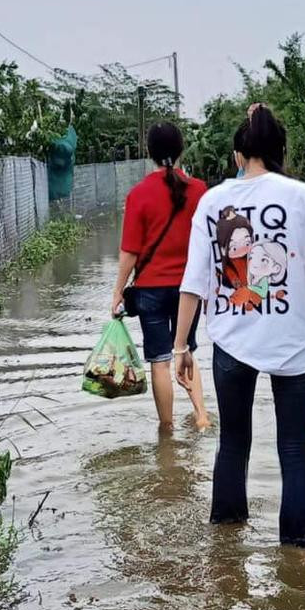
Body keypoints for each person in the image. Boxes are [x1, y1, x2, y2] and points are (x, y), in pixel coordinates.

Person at [174, 104, 305, 547]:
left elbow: (193, 282)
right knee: (293, 450)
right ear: (280, 150)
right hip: (293, 344)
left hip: (232, 343)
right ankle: (301, 547)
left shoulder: (212, 201)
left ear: (237, 155)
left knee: (232, 443)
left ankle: (226, 542)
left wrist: (181, 346)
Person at [111, 122, 210, 431]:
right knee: (187, 350)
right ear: (181, 150)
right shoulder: (200, 191)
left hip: (151, 289)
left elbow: (129, 251)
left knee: (160, 360)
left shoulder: (138, 194)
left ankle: (166, 431)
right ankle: (202, 417)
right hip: (189, 290)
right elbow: (210, 244)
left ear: (149, 153)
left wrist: (117, 292)